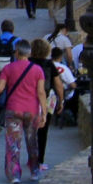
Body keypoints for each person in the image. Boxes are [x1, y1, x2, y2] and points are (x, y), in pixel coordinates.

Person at [0, 38, 47, 183]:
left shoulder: (8, 68)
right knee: (32, 141)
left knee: (13, 142)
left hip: (13, 109)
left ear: (17, 52)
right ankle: (35, 171)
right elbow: (41, 92)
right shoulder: (37, 70)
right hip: (31, 110)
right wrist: (44, 112)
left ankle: (14, 175)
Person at [30, 38, 66, 170]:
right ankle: (40, 160)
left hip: (31, 98)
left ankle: (31, 157)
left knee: (31, 130)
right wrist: (61, 101)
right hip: (47, 98)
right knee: (43, 130)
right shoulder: (49, 64)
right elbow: (58, 85)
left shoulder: (28, 63)